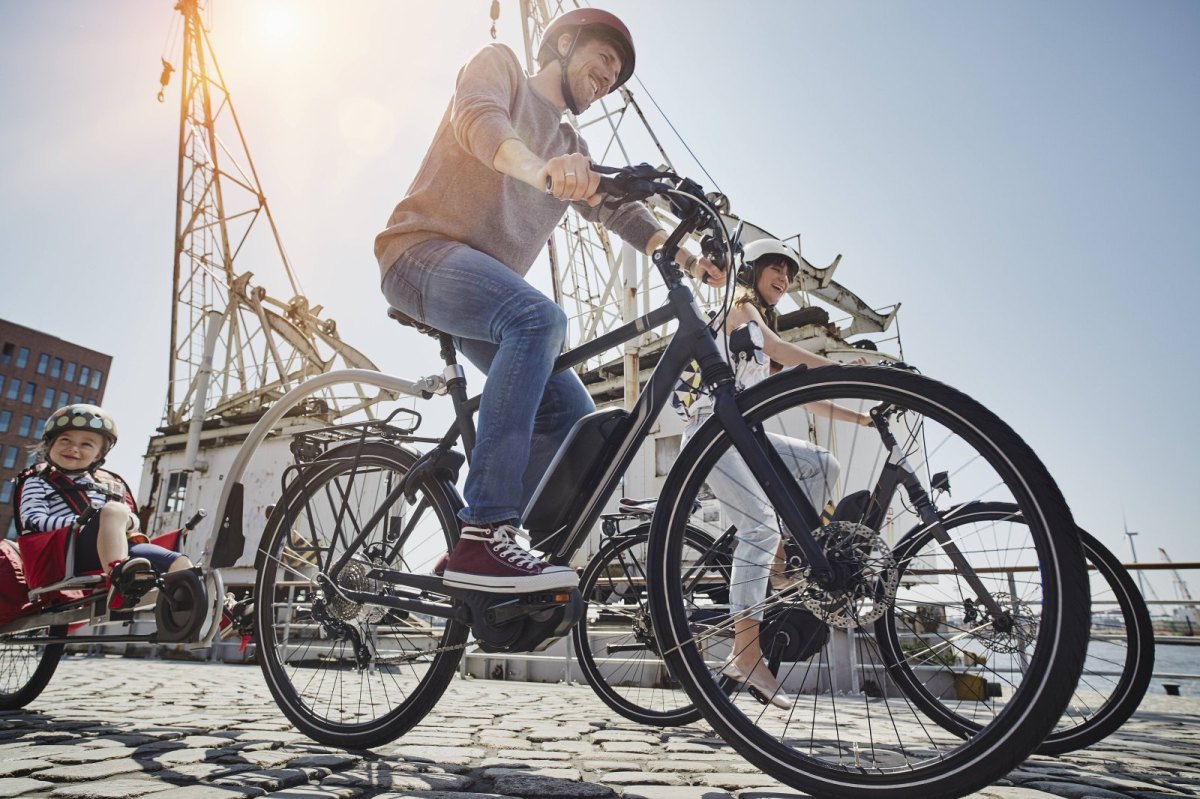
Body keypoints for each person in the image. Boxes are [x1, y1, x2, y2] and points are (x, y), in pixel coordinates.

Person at [374, 9, 723, 594]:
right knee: (541, 320)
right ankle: (485, 531)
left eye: (617, 73)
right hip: (418, 255)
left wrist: (685, 255)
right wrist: (540, 171)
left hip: (483, 291)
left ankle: (491, 556)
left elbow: (620, 210)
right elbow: (480, 123)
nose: (610, 77)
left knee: (572, 412)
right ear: (561, 45)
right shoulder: (502, 68)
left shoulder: (572, 145)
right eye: (604, 59)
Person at [679, 238, 871, 708]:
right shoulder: (741, 308)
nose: (784, 278)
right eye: (776, 267)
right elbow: (788, 352)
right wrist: (851, 371)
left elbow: (800, 393)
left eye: (789, 272)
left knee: (823, 465)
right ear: (754, 270)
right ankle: (744, 655)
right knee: (760, 528)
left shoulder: (755, 339)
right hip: (711, 434)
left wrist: (860, 417)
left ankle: (787, 562)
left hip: (746, 435)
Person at [16, 404, 193, 611]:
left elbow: (133, 521)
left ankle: (213, 609)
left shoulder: (109, 484)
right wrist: (82, 522)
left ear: (99, 455)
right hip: (68, 552)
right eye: (65, 440)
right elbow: (32, 520)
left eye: (86, 444)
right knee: (113, 510)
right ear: (50, 444)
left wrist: (116, 519)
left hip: (117, 545)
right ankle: (120, 575)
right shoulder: (38, 482)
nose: (74, 448)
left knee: (179, 562)